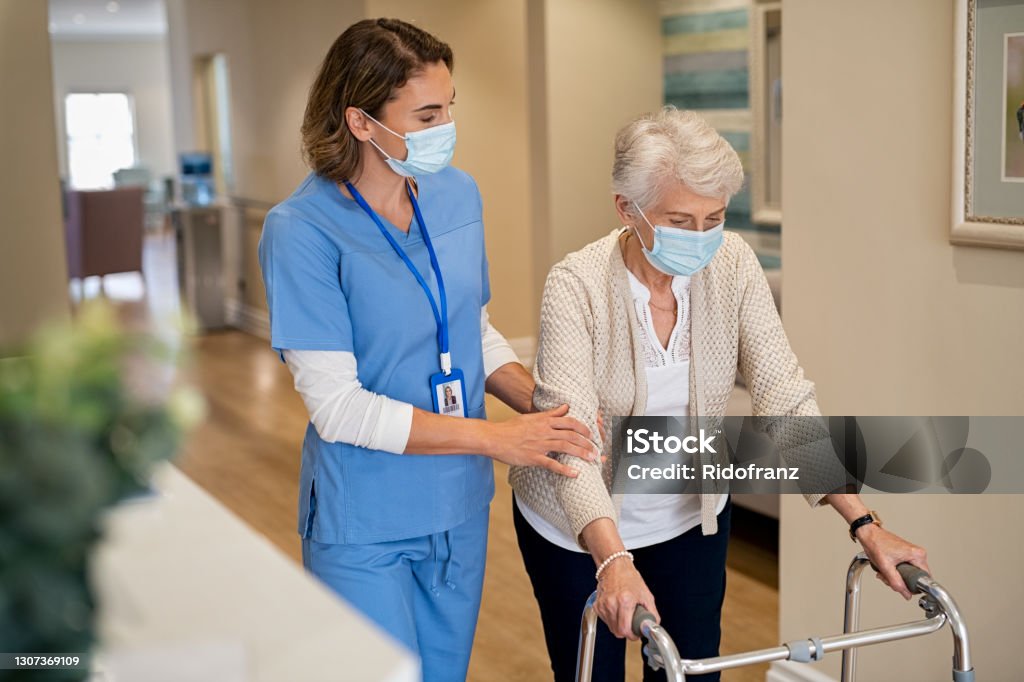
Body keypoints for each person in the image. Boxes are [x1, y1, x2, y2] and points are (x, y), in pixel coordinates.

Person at [509, 107, 930, 682]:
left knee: (692, 670)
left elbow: (784, 395)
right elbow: (570, 442)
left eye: (715, 217)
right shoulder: (575, 284)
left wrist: (863, 523)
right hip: (576, 531)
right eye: (680, 220)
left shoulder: (731, 262)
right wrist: (612, 558)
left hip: (688, 516)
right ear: (625, 208)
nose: (702, 239)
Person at [257, 18, 598, 682]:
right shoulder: (301, 231)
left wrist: (548, 410)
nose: (447, 126)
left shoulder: (456, 195)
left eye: (450, 107)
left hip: (457, 510)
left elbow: (470, 328)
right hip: (364, 522)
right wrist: (500, 439)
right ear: (361, 121)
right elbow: (339, 409)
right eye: (427, 113)